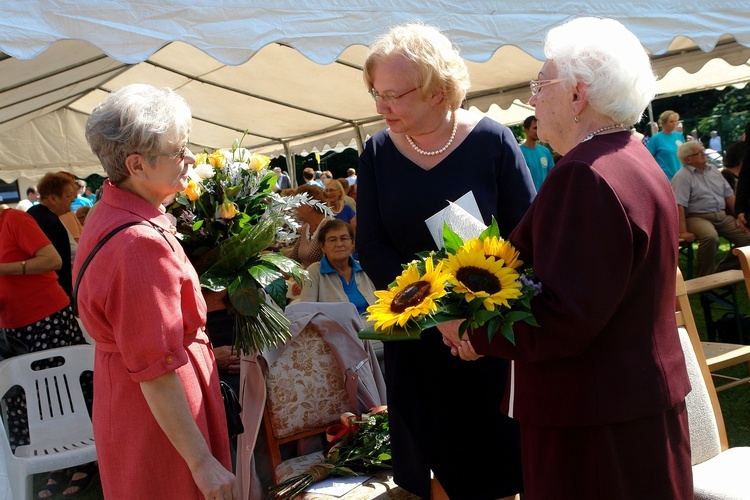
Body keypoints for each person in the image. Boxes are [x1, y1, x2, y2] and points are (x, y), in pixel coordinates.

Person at [440, 17, 693, 499]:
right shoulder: (635, 159)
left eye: (540, 85)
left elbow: (564, 318)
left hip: (593, 423)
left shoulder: (585, 174)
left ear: (577, 95)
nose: (531, 100)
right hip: (628, 406)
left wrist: (469, 330)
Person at [358, 22, 533, 499]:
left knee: (500, 470)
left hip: (489, 341)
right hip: (418, 342)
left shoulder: (493, 141)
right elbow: (372, 248)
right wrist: (441, 318)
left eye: (393, 94)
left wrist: (474, 322)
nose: (380, 106)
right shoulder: (375, 153)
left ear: (438, 91)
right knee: (438, 475)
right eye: (375, 92)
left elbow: (526, 239)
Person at [75, 83, 237, 500]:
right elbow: (157, 371)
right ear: (137, 165)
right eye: (178, 150)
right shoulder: (138, 244)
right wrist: (201, 462)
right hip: (161, 421)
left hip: (136, 402)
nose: (191, 159)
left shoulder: (111, 209)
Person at [0, 205, 95, 498]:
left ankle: (86, 459)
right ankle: (57, 465)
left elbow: (52, 259)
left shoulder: (13, 219)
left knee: (63, 394)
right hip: (10, 328)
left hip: (47, 318)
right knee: (25, 400)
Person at [672, 141, 750, 276]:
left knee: (747, 236)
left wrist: (739, 216)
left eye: (703, 150)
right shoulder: (682, 176)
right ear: (687, 159)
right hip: (697, 217)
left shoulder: (712, 169)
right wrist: (683, 232)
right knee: (710, 237)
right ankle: (705, 278)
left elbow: (729, 196)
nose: (704, 154)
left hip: (720, 215)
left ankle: (723, 270)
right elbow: (679, 206)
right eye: (699, 152)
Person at [295, 219, 376, 316]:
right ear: (322, 247)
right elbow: (305, 314)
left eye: (344, 238)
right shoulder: (314, 272)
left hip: (370, 328)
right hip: (333, 330)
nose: (339, 244)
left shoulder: (364, 268)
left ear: (352, 244)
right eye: (332, 240)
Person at [27, 172, 78, 299]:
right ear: (53, 198)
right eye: (68, 196)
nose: (72, 199)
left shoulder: (33, 212)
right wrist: (68, 294)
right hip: (52, 292)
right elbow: (60, 264)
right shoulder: (52, 222)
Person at [288, 184, 332, 269]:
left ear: (310, 206)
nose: (296, 207)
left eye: (298, 203)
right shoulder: (306, 227)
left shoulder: (328, 227)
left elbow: (329, 265)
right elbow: (293, 259)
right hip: (308, 280)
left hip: (321, 281)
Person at [519, 114, 555, 191]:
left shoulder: (545, 151)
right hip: (529, 200)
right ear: (526, 130)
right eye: (535, 128)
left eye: (539, 128)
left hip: (545, 197)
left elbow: (552, 175)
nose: (538, 131)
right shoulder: (518, 152)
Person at [647, 110, 686, 180]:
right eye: (671, 121)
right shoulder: (656, 139)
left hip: (683, 177)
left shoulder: (679, 136)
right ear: (663, 123)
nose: (674, 124)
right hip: (667, 178)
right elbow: (647, 160)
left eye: (675, 121)